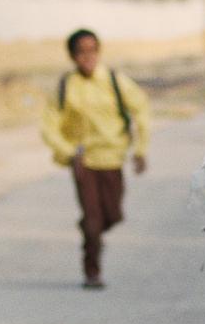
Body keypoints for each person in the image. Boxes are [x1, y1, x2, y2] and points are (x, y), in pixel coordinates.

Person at [40, 28, 152, 289]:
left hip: (112, 159)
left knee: (112, 215)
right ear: (72, 56)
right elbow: (48, 125)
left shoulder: (114, 80)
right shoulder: (66, 86)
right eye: (81, 52)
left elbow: (141, 109)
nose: (87, 57)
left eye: (92, 51)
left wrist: (140, 149)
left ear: (99, 52)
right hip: (83, 161)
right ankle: (92, 271)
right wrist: (68, 152)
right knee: (93, 219)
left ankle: (92, 228)